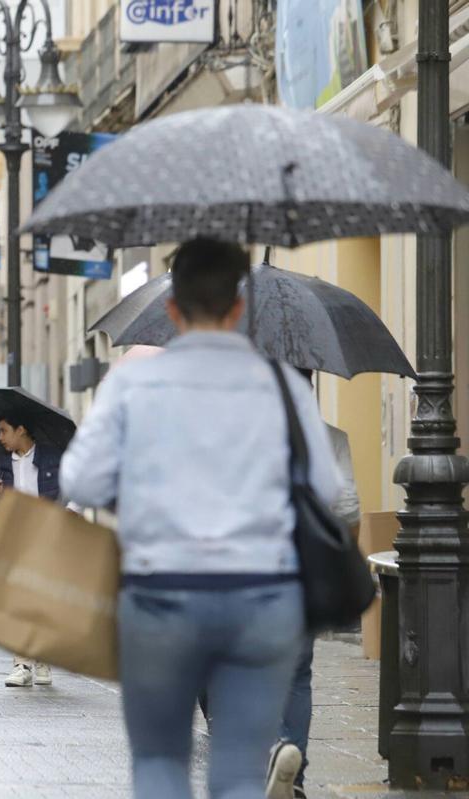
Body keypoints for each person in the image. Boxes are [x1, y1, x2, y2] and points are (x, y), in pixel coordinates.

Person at [59, 238, 342, 799]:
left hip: (162, 595)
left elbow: (81, 481)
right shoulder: (282, 385)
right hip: (261, 595)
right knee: (239, 767)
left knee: (161, 762)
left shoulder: (134, 384)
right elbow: (322, 488)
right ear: (239, 309)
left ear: (171, 309)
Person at [266, 370, 363, 799]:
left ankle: (274, 750)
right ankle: (296, 774)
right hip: (308, 571)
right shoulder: (333, 438)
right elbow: (350, 508)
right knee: (299, 674)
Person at [0, 409, 64, 687]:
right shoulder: (0, 463)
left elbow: (73, 492)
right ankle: (22, 664)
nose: (0, 438)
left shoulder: (52, 458)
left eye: (4, 430)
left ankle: (43, 659)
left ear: (21, 430)